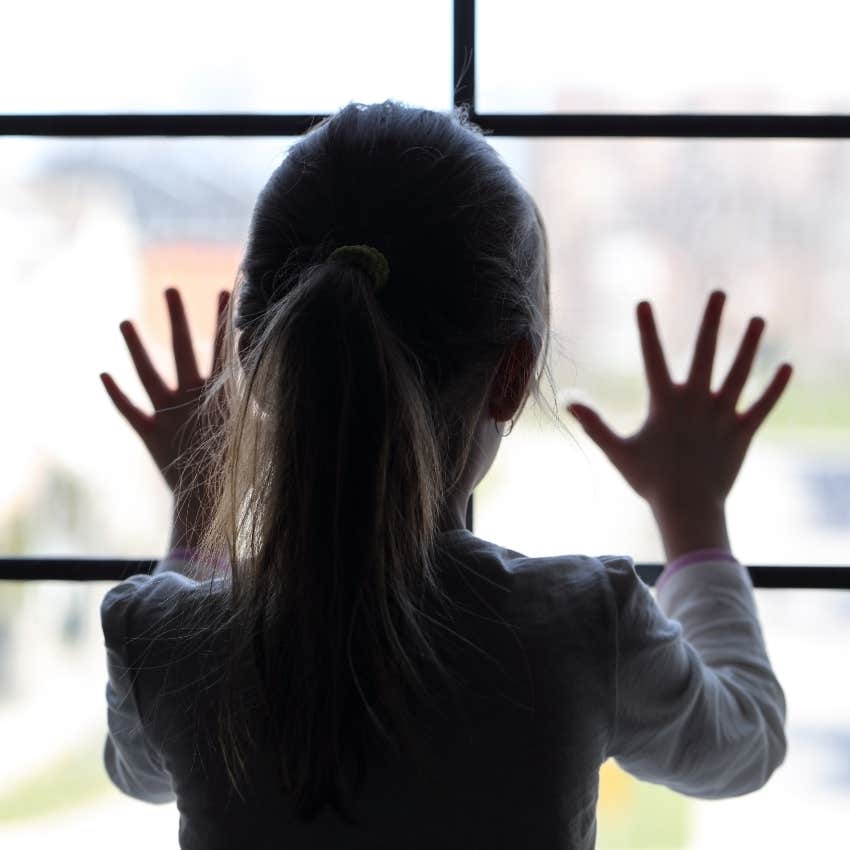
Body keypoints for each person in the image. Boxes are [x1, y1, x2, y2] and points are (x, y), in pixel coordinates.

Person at [98, 100, 792, 850]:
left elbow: (139, 770)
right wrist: (691, 511)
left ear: (256, 365)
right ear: (513, 376)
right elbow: (744, 742)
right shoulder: (581, 628)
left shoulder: (159, 642)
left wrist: (198, 506)